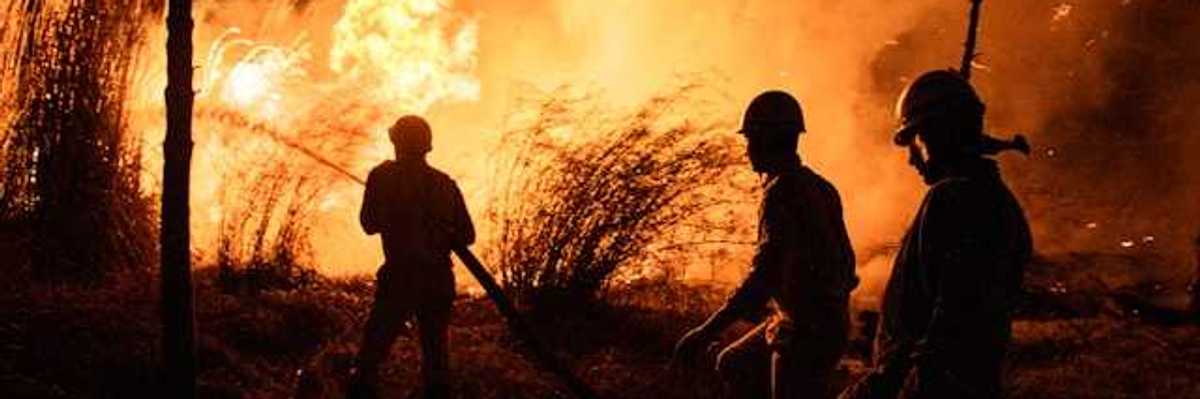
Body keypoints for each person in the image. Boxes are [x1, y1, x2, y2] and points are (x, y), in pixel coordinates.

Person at [840, 70, 1032, 399]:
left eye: (913, 139)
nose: (911, 157)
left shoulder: (952, 201)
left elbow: (946, 327)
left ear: (938, 132)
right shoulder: (1000, 201)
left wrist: (886, 387)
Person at [673, 91, 860, 399]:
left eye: (750, 140)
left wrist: (705, 331)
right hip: (825, 324)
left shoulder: (780, 193)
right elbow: (846, 266)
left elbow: (763, 275)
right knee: (734, 363)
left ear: (765, 140)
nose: (747, 150)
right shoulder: (822, 187)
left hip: (804, 332)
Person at [349, 115, 475, 399]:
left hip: (400, 277)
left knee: (371, 356)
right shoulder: (445, 184)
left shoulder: (382, 176)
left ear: (396, 141)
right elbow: (467, 235)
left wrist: (388, 204)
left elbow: (369, 225)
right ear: (426, 146)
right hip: (439, 280)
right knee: (436, 360)